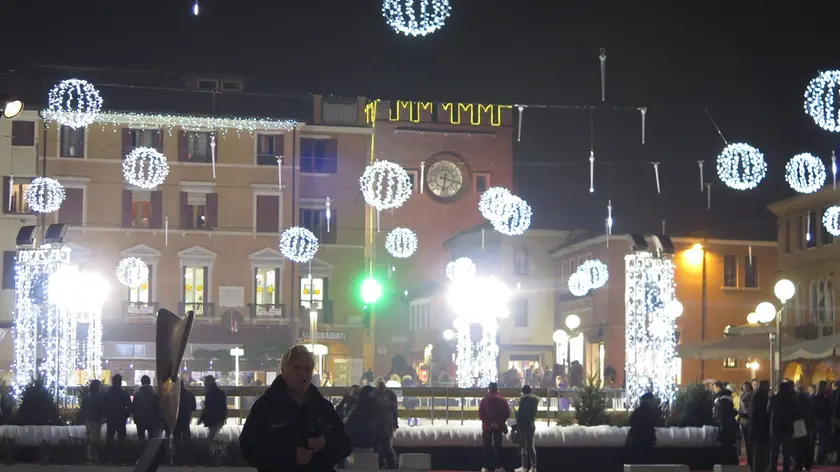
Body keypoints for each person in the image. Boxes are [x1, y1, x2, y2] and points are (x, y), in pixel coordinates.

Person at [240, 345, 351, 472]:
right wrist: (289, 454)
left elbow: (345, 445)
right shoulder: (266, 407)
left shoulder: (323, 407)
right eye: (297, 368)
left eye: (307, 368)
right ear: (283, 370)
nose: (303, 373)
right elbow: (248, 448)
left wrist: (326, 443)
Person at [479, 382, 510, 472]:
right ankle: (498, 467)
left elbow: (481, 414)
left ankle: (485, 466)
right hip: (498, 426)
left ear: (489, 389)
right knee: (497, 447)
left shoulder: (484, 400)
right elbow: (507, 413)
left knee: (486, 447)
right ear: (497, 389)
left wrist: (488, 423)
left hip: (487, 427)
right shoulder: (502, 400)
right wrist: (498, 423)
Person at [770, 381, 800, 472]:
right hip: (788, 426)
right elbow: (797, 412)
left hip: (776, 426)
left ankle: (773, 469)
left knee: (774, 451)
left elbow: (769, 409)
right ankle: (786, 469)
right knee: (786, 451)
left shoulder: (774, 398)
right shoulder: (792, 399)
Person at [626, 393, 660, 464]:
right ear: (649, 401)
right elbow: (657, 423)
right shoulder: (650, 412)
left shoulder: (637, 412)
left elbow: (631, 421)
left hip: (633, 443)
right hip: (644, 445)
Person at [373, 378, 398, 469]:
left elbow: (393, 408)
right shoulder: (390, 394)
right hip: (386, 423)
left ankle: (387, 463)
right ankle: (390, 463)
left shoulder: (376, 395)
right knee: (386, 445)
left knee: (384, 445)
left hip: (382, 423)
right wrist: (395, 423)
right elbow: (394, 409)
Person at [514, 385, 539, 472]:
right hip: (531, 425)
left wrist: (515, 411)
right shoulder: (535, 400)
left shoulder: (523, 400)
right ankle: (533, 467)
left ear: (523, 392)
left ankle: (524, 466)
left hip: (523, 426)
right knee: (531, 446)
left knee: (523, 446)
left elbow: (520, 414)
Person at [104, 374, 132, 450]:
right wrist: (125, 415)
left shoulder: (108, 394)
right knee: (121, 440)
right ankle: (120, 457)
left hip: (110, 420)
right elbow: (129, 407)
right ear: (120, 382)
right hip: (121, 420)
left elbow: (104, 406)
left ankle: (109, 457)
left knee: (109, 439)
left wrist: (106, 416)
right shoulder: (124, 394)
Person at [749, 380, 771, 472]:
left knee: (758, 450)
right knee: (760, 451)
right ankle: (759, 468)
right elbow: (765, 412)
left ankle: (758, 468)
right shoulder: (762, 397)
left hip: (756, 428)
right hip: (761, 428)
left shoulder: (756, 396)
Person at [132, 375, 161, 446]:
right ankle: (151, 454)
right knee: (152, 439)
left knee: (141, 438)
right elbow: (158, 408)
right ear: (150, 382)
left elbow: (134, 408)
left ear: (141, 382)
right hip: (152, 420)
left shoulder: (137, 395)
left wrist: (135, 419)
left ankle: (140, 452)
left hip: (140, 420)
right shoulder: (154, 395)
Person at [81, 379, 105, 462]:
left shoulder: (89, 397)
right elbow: (100, 409)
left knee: (90, 438)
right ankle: (94, 456)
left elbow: (85, 409)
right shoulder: (99, 398)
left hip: (89, 419)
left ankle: (90, 455)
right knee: (94, 439)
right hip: (95, 420)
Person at [714, 386, 739, 465]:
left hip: (722, 428)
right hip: (728, 428)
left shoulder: (718, 402)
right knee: (729, 446)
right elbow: (731, 413)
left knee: (724, 446)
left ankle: (724, 461)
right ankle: (730, 462)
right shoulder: (727, 402)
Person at [795, 385, 814, 471]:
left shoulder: (798, 401)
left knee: (799, 445)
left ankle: (798, 464)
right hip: (807, 423)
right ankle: (807, 464)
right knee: (807, 445)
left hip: (799, 424)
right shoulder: (809, 402)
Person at [172, 383, 196, 449]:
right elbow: (194, 408)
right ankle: (187, 452)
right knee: (186, 437)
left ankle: (178, 452)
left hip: (176, 420)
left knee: (177, 438)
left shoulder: (173, 395)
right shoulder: (190, 395)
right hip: (186, 419)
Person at [812, 380, 831, 465]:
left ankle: (818, 458)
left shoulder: (815, 397)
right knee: (819, 440)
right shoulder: (826, 398)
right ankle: (818, 458)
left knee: (818, 440)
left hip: (819, 419)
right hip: (819, 420)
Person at [739, 381, 754, 467]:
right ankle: (749, 459)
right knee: (745, 440)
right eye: (744, 386)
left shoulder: (752, 395)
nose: (745, 388)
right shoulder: (742, 395)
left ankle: (751, 459)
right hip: (743, 420)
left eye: (747, 386)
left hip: (748, 419)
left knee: (749, 441)